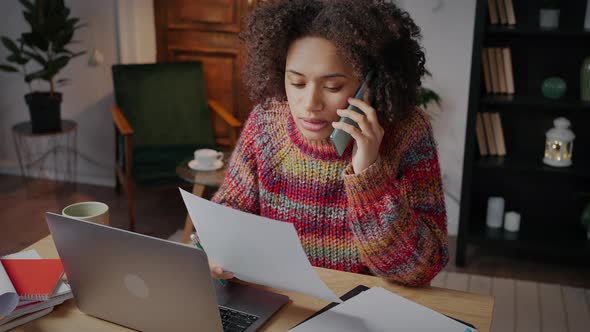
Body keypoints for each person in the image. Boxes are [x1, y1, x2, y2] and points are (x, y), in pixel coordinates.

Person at [209, 0, 448, 286]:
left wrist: (367, 174)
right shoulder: (266, 123)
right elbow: (230, 209)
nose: (310, 104)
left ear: (370, 83)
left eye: (333, 86)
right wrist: (217, 245)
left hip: (366, 310)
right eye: (296, 83)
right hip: (281, 300)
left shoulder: (407, 133)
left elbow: (421, 269)